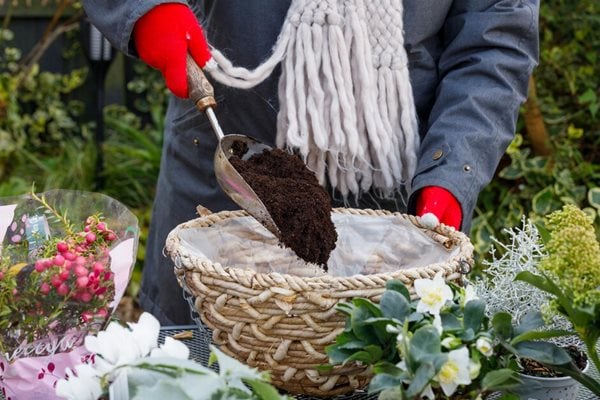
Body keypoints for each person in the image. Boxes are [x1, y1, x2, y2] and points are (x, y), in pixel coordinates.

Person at [82, 0, 539, 325]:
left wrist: (447, 180)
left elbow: (494, 38)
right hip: (222, 193)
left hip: (396, 214)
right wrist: (145, 9)